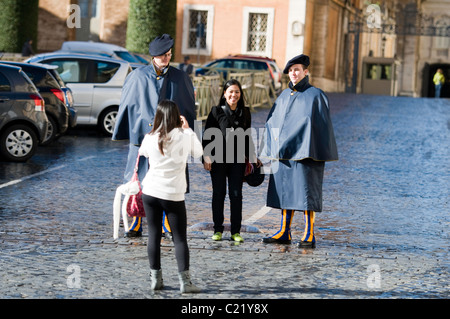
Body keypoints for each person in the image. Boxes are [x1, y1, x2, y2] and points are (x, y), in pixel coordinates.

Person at [112, 34, 196, 238]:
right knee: (138, 180)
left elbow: (188, 109)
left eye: (169, 55)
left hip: (170, 142)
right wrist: (133, 131)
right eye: (162, 55)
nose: (166, 59)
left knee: (169, 180)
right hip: (142, 139)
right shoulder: (138, 77)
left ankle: (167, 221)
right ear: (153, 56)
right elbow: (128, 106)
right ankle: (136, 221)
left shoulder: (180, 77)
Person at [260, 54, 338, 248]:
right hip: (284, 154)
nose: (293, 73)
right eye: (290, 70)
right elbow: (272, 122)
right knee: (285, 191)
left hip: (306, 153)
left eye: (297, 70)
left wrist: (316, 150)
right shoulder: (284, 95)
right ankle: (284, 231)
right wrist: (269, 147)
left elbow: (322, 126)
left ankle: (309, 233)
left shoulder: (316, 95)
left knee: (305, 193)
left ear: (306, 71)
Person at [139, 100, 203, 293]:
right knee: (179, 239)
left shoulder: (150, 137)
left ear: (158, 116)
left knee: (153, 235)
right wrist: (188, 129)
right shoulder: (184, 136)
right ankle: (185, 283)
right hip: (173, 194)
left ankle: (155, 279)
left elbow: (142, 153)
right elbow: (200, 152)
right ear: (176, 116)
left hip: (150, 191)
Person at [202, 79, 260, 242]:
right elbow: (207, 136)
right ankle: (218, 230)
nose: (234, 95)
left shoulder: (245, 112)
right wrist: (206, 156)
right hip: (218, 159)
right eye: (231, 92)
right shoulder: (216, 111)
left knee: (236, 195)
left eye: (237, 92)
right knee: (218, 194)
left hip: (237, 159)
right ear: (224, 94)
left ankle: (236, 231)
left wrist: (253, 156)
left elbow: (247, 136)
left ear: (240, 94)